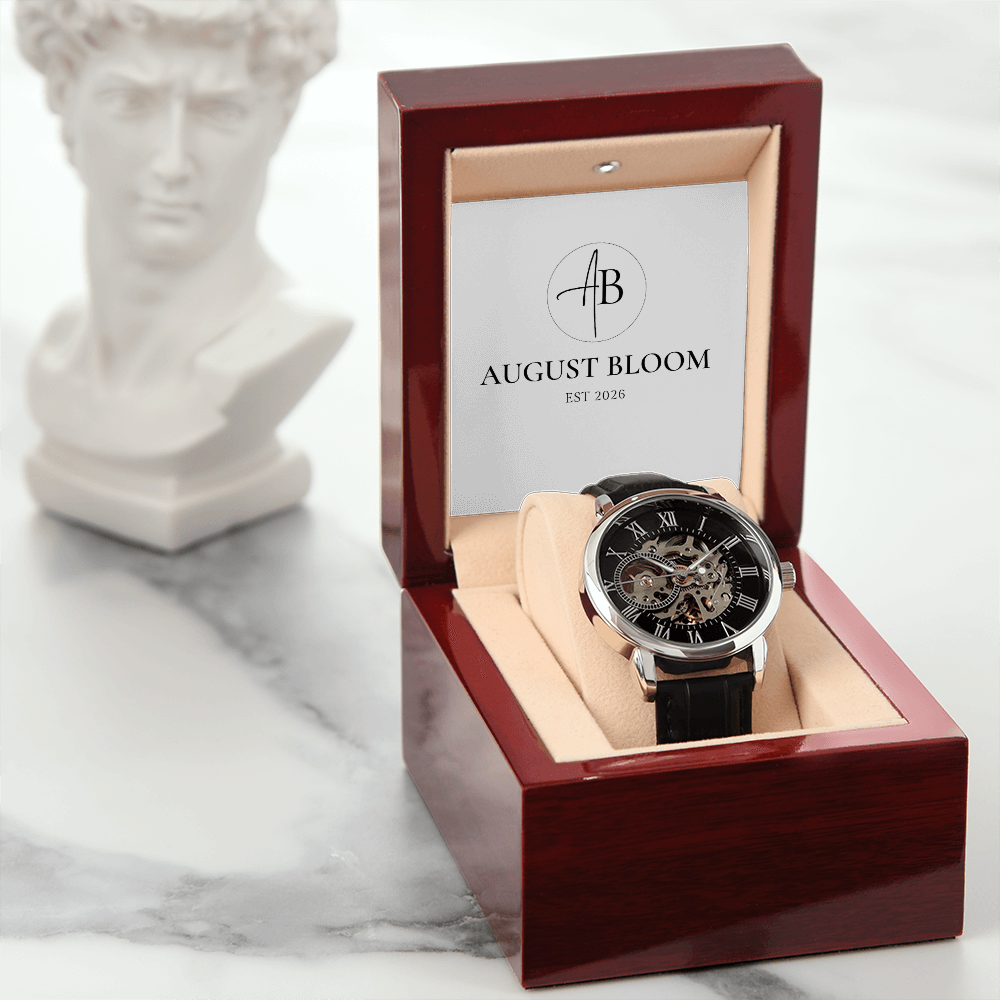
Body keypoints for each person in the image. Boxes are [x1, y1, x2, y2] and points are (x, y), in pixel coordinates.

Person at [15, 0, 351, 550]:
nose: (172, 163)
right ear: (62, 92)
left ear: (283, 115)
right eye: (130, 103)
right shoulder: (57, 352)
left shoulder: (288, 341)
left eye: (221, 111)